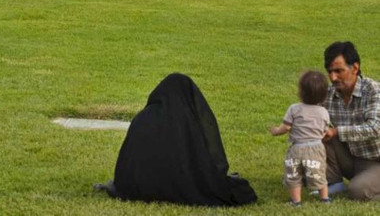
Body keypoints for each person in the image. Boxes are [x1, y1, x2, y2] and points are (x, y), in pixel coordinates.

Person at [94, 73, 257, 207]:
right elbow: (200, 162)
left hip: (134, 187)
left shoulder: (142, 119)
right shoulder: (187, 127)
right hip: (172, 186)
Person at [322, 41, 380, 201]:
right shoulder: (328, 93)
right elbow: (309, 114)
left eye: (339, 71)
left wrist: (337, 131)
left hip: (377, 160)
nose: (333, 77)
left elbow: (375, 128)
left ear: (354, 68)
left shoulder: (374, 91)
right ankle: (333, 185)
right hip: (354, 158)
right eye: (330, 72)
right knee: (318, 130)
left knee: (357, 191)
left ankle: (362, 184)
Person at [268, 70, 331, 206]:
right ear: (324, 94)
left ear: (301, 91)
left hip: (297, 148)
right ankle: (325, 198)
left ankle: (296, 201)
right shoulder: (324, 112)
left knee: (294, 175)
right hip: (317, 148)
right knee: (319, 173)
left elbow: (286, 127)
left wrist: (275, 131)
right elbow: (325, 130)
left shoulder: (294, 109)